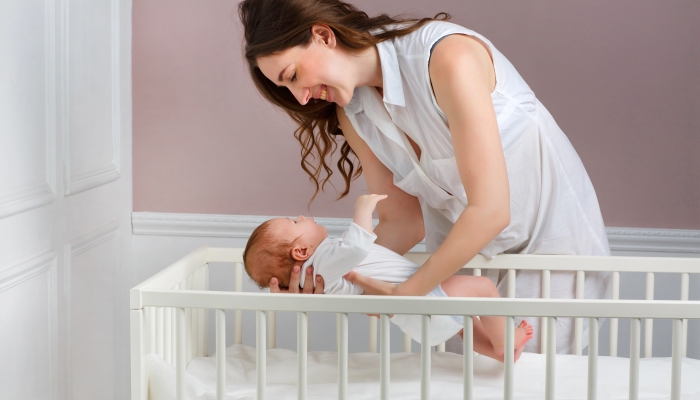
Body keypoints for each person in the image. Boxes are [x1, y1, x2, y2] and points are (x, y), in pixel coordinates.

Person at [239, 0, 611, 353]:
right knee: (463, 377)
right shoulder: (353, 113)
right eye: (285, 88)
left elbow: (491, 210)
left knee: (531, 374)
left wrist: (410, 291)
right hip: (458, 258)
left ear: (323, 35)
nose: (301, 99)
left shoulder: (447, 58)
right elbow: (403, 221)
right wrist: (325, 276)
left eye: (293, 76)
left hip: (547, 247)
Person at [242, 194, 534, 361]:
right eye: (295, 222)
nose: (302, 217)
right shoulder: (323, 261)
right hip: (420, 300)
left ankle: (500, 353)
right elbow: (358, 245)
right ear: (301, 250)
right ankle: (504, 342)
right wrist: (363, 208)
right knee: (482, 287)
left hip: (415, 317)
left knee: (464, 325)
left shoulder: (322, 267)